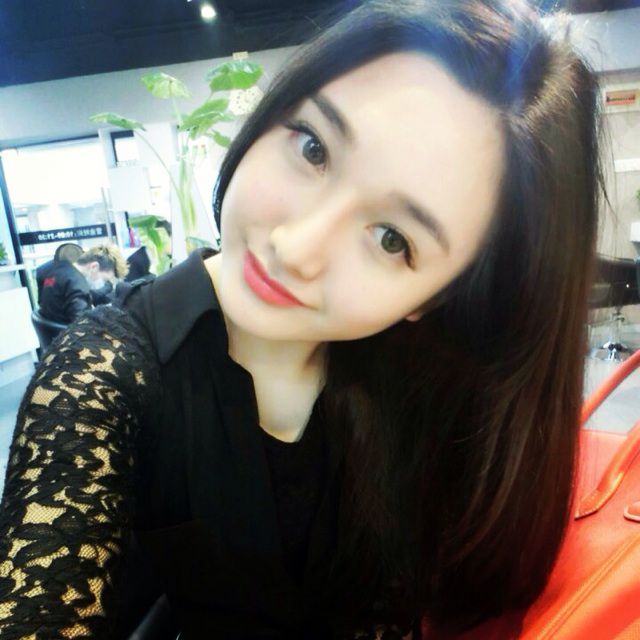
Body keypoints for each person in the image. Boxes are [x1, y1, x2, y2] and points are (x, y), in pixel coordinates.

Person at [0, 1, 603, 638]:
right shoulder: (104, 372)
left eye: (391, 239)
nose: (296, 248)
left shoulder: (430, 398)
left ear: (435, 298)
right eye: (313, 148)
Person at [38, 243, 129, 323]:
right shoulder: (77, 285)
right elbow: (83, 325)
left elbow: (79, 296)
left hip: (56, 328)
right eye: (105, 280)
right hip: (67, 334)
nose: (103, 283)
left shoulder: (61, 270)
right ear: (94, 267)